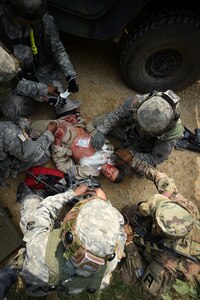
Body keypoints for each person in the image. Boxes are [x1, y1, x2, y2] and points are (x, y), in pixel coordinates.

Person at [0, 182, 126, 298]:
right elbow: (121, 234)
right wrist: (103, 205)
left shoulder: (40, 247)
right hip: (57, 285)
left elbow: (42, 210)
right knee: (42, 289)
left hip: (35, 272)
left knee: (32, 204)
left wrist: (72, 193)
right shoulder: (110, 263)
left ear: (69, 237)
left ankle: (26, 194)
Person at [116, 149, 200, 299]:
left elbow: (145, 291)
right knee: (134, 213)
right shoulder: (185, 207)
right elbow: (159, 177)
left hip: (161, 254)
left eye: (155, 224)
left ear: (160, 231)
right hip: (161, 237)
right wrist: (132, 160)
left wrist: (130, 245)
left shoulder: (166, 264)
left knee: (129, 277)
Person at [0, 0, 80, 120]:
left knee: (53, 85)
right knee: (21, 106)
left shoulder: (39, 17)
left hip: (33, 67)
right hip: (8, 80)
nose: (32, 23)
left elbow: (57, 48)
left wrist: (70, 75)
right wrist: (43, 90)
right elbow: (10, 82)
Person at [91, 90, 184, 166]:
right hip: (128, 129)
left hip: (143, 144)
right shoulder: (139, 101)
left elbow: (155, 159)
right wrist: (101, 131)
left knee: (133, 170)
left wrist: (132, 156)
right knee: (97, 123)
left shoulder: (171, 134)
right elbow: (118, 114)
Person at [30, 113, 125, 183]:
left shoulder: (89, 173)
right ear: (115, 166)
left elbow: (62, 165)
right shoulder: (108, 149)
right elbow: (92, 129)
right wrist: (78, 122)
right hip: (74, 126)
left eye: (109, 176)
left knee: (32, 128)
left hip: (62, 137)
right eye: (112, 171)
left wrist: (57, 142)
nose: (108, 171)